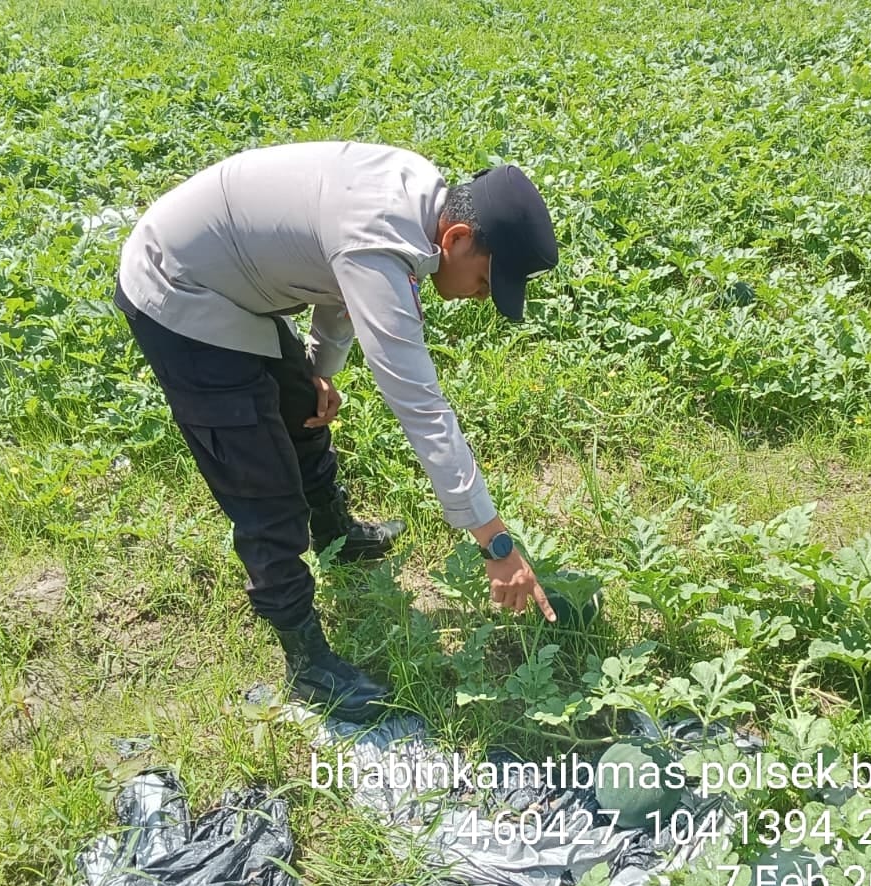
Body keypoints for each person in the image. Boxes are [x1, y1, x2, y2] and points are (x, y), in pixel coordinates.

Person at [112, 141, 559, 722]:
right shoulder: (379, 241)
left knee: (304, 406)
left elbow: (337, 276)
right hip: (179, 288)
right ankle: (307, 665)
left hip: (230, 279)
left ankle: (335, 536)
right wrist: (495, 541)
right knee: (261, 483)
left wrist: (318, 370)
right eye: (483, 281)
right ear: (455, 239)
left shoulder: (418, 196)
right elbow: (420, 405)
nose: (480, 296)